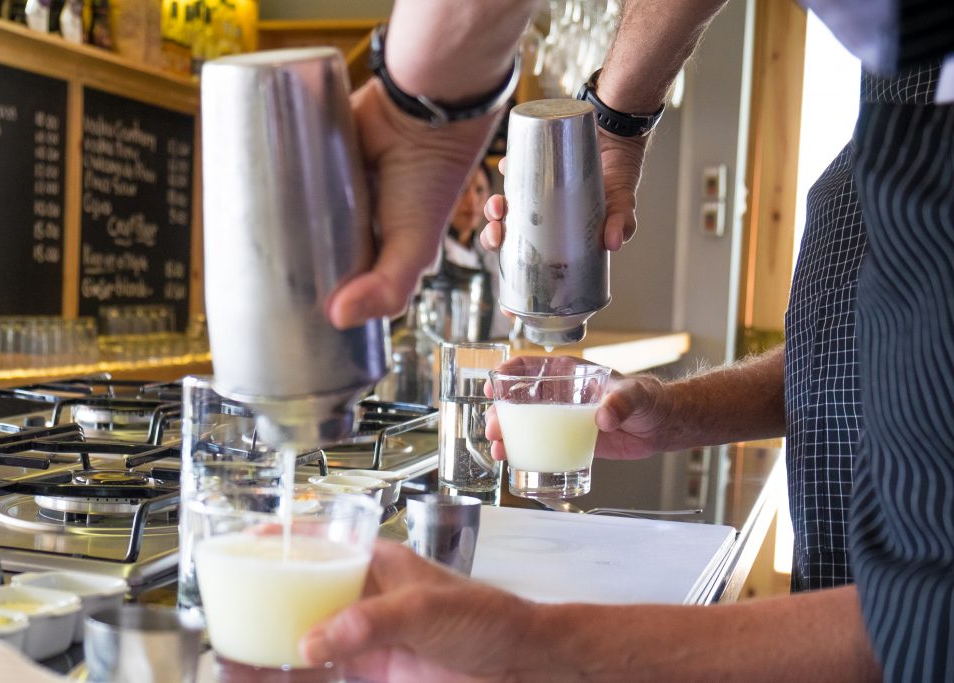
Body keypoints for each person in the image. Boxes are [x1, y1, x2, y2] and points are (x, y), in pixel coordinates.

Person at [312, 0, 952, 679]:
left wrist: (542, 646)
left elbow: (931, 623)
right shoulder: (909, 86)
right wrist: (676, 413)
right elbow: (874, 356)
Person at [433, 160, 509, 340]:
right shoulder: (428, 255)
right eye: (461, 190)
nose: (472, 201)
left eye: (480, 190)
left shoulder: (493, 256)